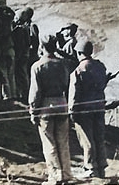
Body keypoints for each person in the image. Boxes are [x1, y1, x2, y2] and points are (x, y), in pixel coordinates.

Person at [28, 34, 72, 185]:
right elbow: (67, 85)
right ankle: (66, 174)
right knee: (63, 142)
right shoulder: (63, 64)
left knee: (49, 143)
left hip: (46, 106)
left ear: (42, 47)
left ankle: (55, 176)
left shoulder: (37, 66)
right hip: (62, 103)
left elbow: (36, 92)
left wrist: (33, 111)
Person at [68, 39, 108, 179]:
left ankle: (90, 168)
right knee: (99, 137)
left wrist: (72, 112)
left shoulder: (78, 71)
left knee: (87, 139)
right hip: (99, 106)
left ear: (79, 53)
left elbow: (74, 94)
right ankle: (101, 166)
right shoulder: (100, 67)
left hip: (84, 109)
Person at [0, 0, 16, 100]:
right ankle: (14, 94)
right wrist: (5, 8)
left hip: (2, 48)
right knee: (11, 73)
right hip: (10, 47)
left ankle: (7, 95)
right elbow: (13, 13)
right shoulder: (8, 17)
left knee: (3, 73)